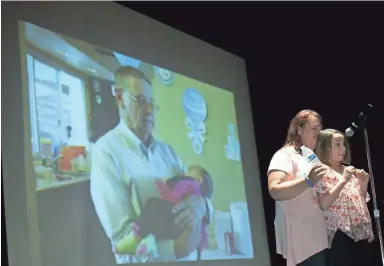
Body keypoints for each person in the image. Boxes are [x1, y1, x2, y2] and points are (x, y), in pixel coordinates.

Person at [90, 66, 214, 263]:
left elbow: (197, 194)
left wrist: (203, 206)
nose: (149, 110)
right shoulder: (105, 153)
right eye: (139, 100)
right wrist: (177, 249)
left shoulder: (169, 153)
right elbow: (123, 243)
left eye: (152, 103)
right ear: (119, 97)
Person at [267, 109, 329, 266]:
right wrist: (308, 180)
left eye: (321, 129)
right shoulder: (285, 155)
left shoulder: (312, 158)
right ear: (299, 129)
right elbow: (275, 189)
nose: (319, 133)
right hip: (301, 244)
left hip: (320, 240)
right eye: (314, 128)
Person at [313, 129, 374, 266]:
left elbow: (359, 203)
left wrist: (363, 185)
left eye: (344, 144)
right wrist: (343, 180)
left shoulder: (348, 170)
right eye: (338, 144)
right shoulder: (321, 171)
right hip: (340, 235)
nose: (343, 148)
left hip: (360, 231)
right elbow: (323, 204)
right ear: (325, 147)